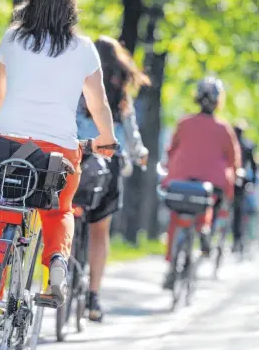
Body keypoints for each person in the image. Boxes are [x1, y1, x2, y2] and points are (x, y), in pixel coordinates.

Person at [0, 0, 118, 337]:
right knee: (59, 210)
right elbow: (99, 104)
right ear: (71, 10)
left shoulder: (12, 39)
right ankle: (56, 264)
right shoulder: (83, 49)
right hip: (58, 152)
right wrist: (107, 140)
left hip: (6, 147)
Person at [76, 35, 150, 322]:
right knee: (99, 230)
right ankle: (93, 296)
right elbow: (131, 135)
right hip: (110, 161)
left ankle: (57, 273)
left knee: (66, 215)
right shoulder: (120, 94)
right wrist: (140, 154)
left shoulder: (79, 81)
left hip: (77, 155)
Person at [162, 76, 241, 289]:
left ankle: (171, 263)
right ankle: (205, 231)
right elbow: (233, 161)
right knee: (209, 204)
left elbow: (171, 150)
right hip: (211, 183)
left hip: (179, 180)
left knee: (176, 217)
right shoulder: (225, 129)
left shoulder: (184, 122)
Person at [231, 120, 258, 252]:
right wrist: (252, 181)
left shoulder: (233, 143)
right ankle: (237, 239)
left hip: (232, 180)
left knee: (237, 210)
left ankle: (237, 239)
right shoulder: (247, 146)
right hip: (240, 181)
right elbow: (254, 167)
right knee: (238, 211)